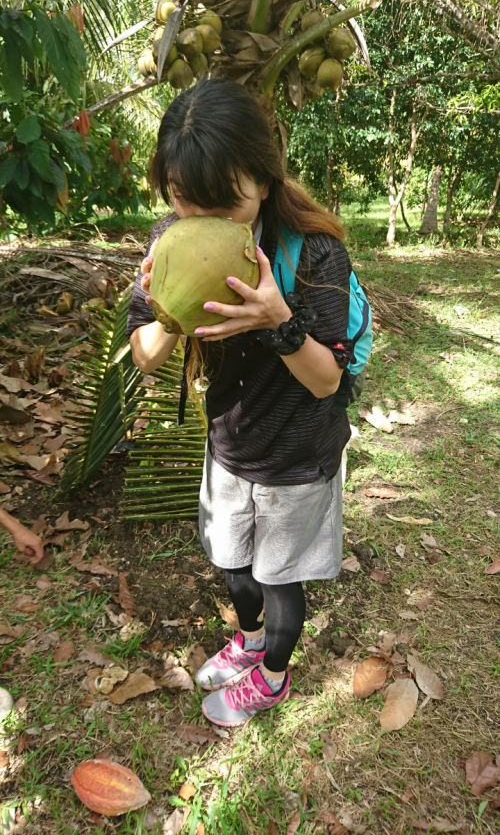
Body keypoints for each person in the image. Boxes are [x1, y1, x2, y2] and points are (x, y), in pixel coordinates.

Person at [127, 78, 354, 728]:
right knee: (232, 566)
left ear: (263, 177)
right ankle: (248, 642)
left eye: (223, 205)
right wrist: (172, 310)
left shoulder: (314, 253)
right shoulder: (169, 236)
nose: (198, 218)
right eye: (181, 198)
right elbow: (145, 356)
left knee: (280, 580)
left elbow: (325, 382)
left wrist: (277, 319)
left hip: (297, 456)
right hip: (229, 445)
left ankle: (273, 676)